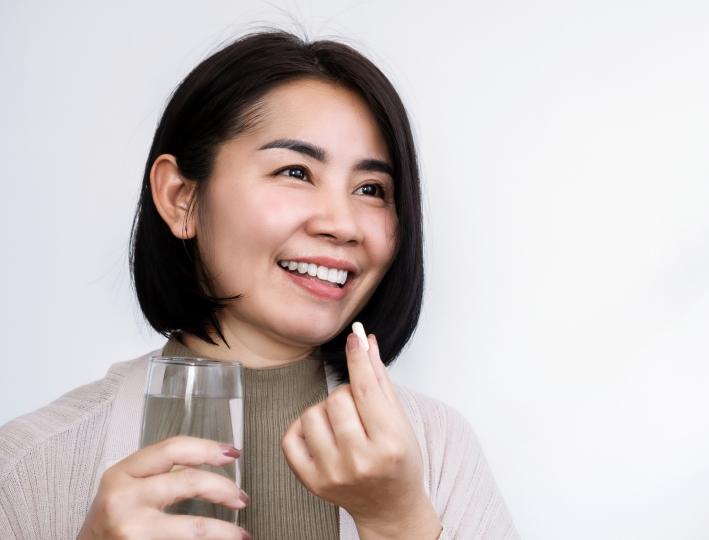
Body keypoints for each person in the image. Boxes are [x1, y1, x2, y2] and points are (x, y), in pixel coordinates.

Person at [0, 29, 519, 540]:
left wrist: (398, 521)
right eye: (295, 172)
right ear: (181, 197)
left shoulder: (440, 448)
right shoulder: (29, 463)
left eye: (371, 188)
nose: (341, 224)